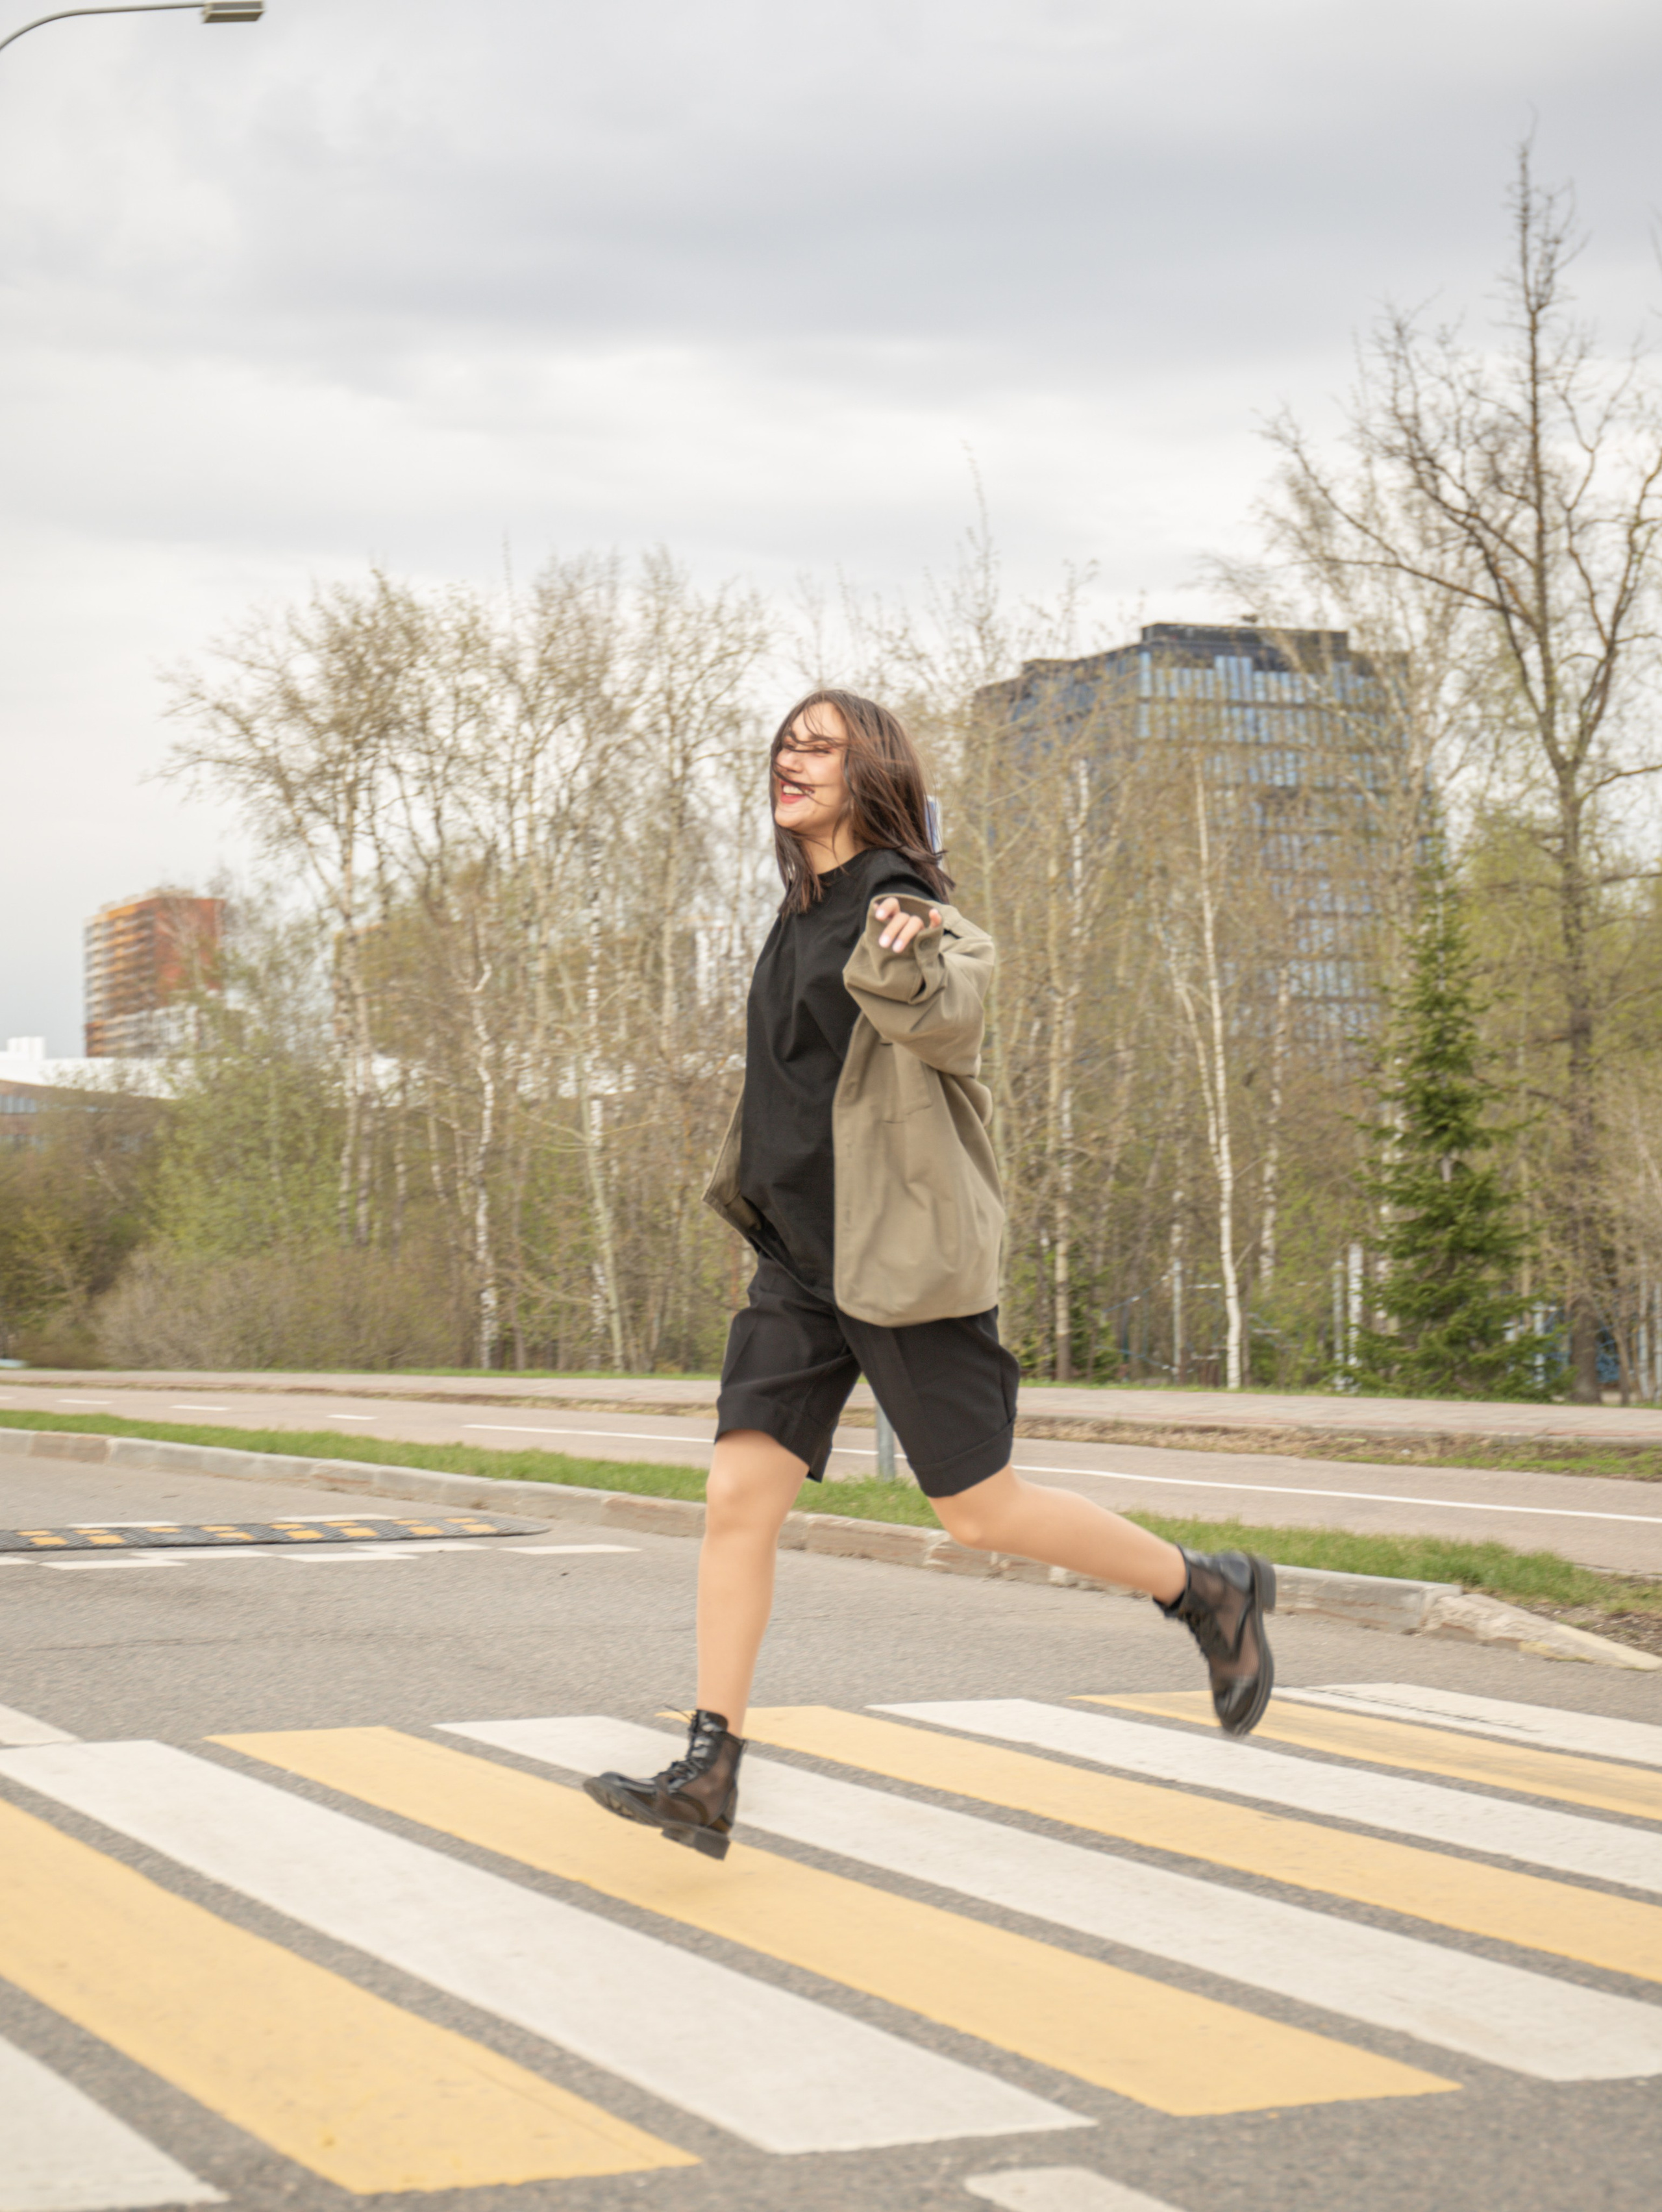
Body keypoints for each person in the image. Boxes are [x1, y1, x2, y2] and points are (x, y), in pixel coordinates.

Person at [584, 689, 1273, 1859]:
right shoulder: (795, 909)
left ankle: (1204, 1590)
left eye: (821, 746)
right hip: (800, 1265)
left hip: (897, 1255)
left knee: (978, 1509)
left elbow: (955, 1012)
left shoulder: (903, 901)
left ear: (873, 772)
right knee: (737, 1503)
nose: (790, 760)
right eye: (784, 744)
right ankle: (711, 1771)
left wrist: (908, 959)